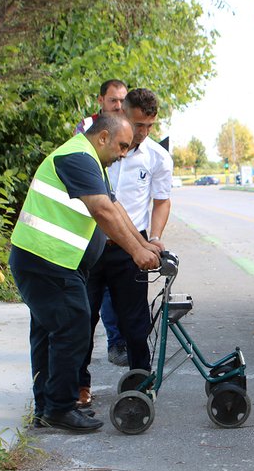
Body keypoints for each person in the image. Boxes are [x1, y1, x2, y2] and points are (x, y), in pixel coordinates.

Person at [9, 115, 161, 432]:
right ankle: (60, 408)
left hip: (51, 261)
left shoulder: (90, 161)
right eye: (121, 146)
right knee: (73, 329)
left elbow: (115, 208)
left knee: (50, 334)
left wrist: (144, 244)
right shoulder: (77, 157)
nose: (124, 153)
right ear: (103, 137)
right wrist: (137, 253)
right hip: (46, 261)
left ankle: (46, 409)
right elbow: (102, 211)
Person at [77, 88, 174, 407]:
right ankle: (79, 387)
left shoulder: (157, 157)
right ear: (122, 115)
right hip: (90, 243)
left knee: (135, 322)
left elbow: (161, 201)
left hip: (132, 246)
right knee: (83, 319)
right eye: (138, 125)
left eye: (149, 127)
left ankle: (141, 384)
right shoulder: (96, 147)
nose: (143, 134)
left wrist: (155, 238)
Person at [74, 79, 130, 367]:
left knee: (125, 308)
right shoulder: (88, 130)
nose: (119, 105)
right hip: (94, 235)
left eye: (123, 100)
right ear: (101, 101)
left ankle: (120, 348)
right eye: (113, 100)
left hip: (123, 236)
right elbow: (103, 204)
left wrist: (142, 243)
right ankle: (79, 385)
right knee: (85, 312)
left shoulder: (134, 132)